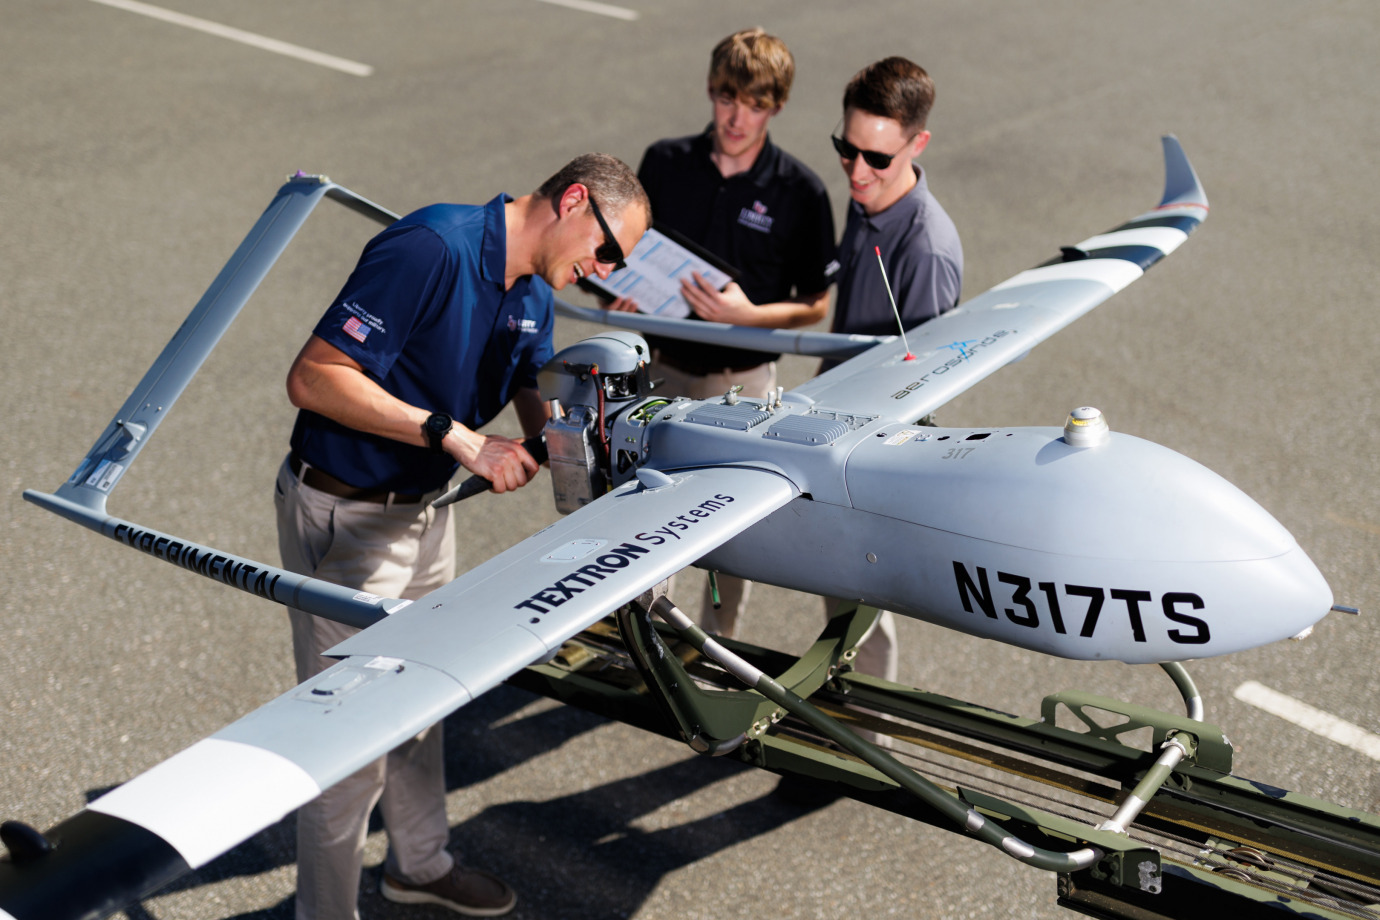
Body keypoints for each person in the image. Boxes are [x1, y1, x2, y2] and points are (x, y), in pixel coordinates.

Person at [274, 153, 650, 920]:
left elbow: (535, 399)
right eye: (607, 249)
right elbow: (313, 377)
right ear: (574, 201)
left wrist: (595, 458)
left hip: (424, 510)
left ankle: (418, 864)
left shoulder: (537, 293)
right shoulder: (431, 247)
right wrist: (455, 437)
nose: (605, 270)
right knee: (347, 750)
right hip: (347, 516)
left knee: (421, 707)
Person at [610, 26, 838, 639]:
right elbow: (629, 253)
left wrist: (749, 316)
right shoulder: (665, 162)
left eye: (756, 105)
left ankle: (714, 647)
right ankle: (644, 645)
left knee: (726, 531)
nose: (738, 117)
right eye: (727, 98)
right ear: (711, 91)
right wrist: (626, 293)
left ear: (777, 106)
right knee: (642, 511)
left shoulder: (800, 191)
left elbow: (816, 304)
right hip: (663, 374)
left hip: (743, 386)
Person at [825, 57, 964, 684]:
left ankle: (867, 750)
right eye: (846, 150)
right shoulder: (868, 201)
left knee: (864, 613)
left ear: (918, 143)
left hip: (869, 455)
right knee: (838, 597)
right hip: (833, 433)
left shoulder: (926, 250)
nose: (856, 172)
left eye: (876, 159)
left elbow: (923, 388)